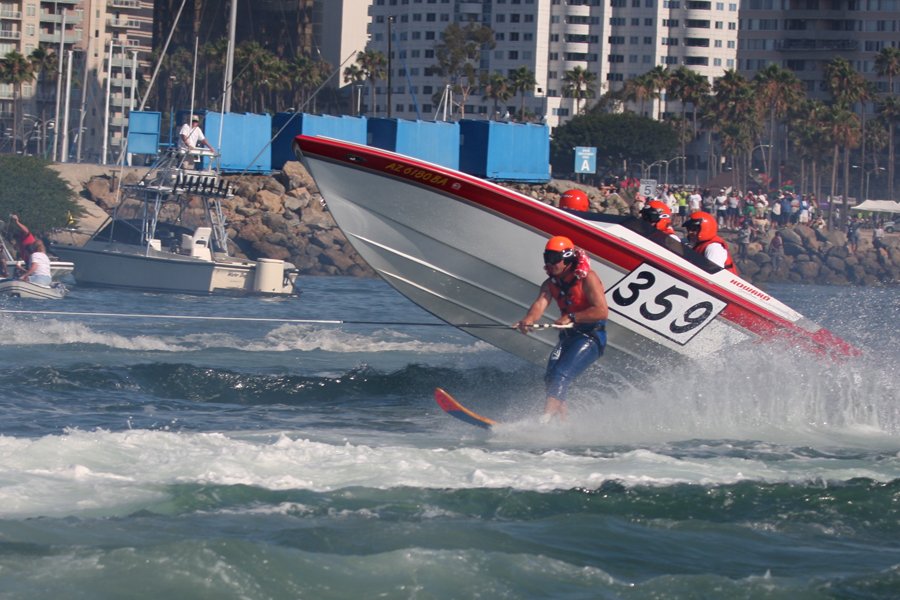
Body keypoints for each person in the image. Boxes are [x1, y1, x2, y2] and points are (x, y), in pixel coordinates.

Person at [515, 236, 608, 423]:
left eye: (553, 259)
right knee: (551, 378)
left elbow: (602, 311)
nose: (549, 264)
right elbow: (540, 304)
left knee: (560, 375)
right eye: (546, 258)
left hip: (591, 337)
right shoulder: (551, 283)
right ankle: (561, 424)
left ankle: (544, 421)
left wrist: (573, 317)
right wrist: (528, 320)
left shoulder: (588, 278)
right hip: (568, 336)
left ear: (566, 258)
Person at [1, 214, 36, 278]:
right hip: (28, 263)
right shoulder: (20, 247)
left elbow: (26, 230)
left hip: (34, 261)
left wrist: (17, 222)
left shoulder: (27, 238)